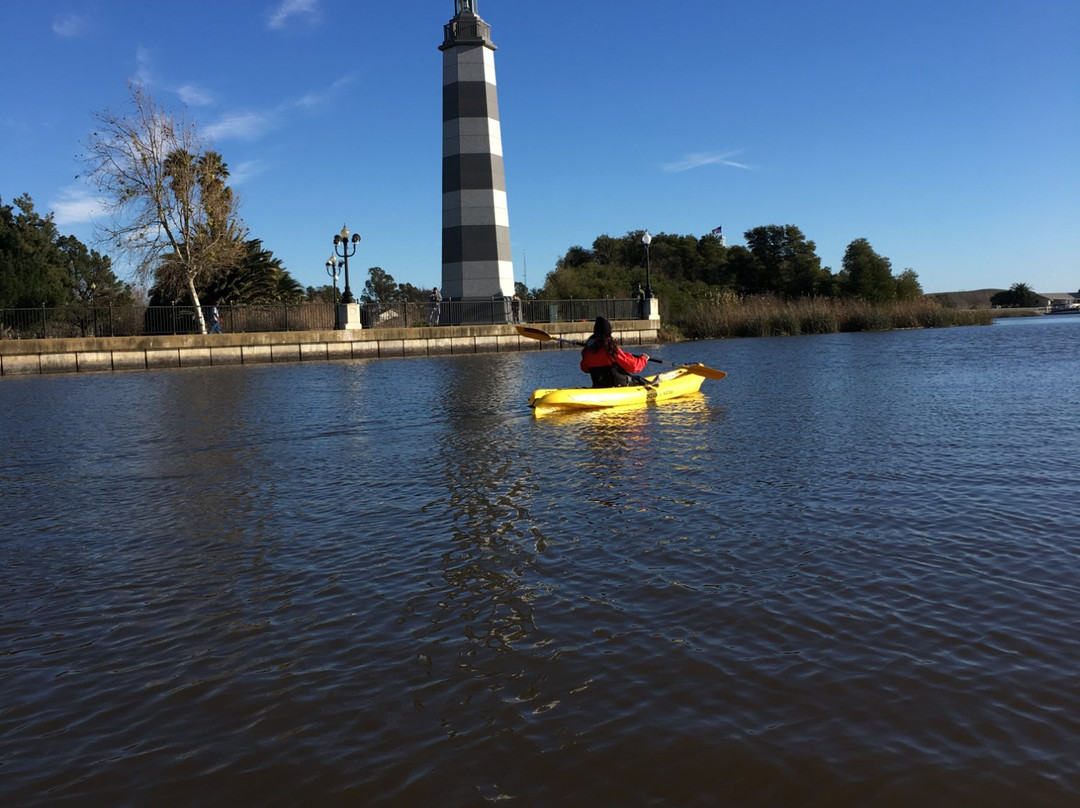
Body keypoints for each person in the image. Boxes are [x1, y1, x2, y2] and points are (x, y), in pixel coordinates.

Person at [579, 315, 649, 387]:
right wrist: (643, 359)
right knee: (638, 379)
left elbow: (585, 368)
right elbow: (633, 367)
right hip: (618, 386)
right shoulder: (611, 348)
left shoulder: (588, 350)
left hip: (598, 386)